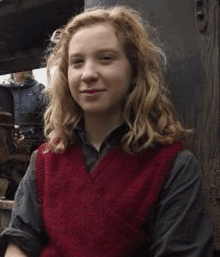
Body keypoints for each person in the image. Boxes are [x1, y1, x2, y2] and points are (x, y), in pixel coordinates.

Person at [0, 5, 213, 257]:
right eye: (77, 62)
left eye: (106, 58)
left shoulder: (173, 166)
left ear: (134, 70)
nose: (88, 74)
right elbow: (21, 241)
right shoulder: (44, 161)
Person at [0, 71, 46, 199]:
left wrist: (30, 143)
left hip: (30, 152)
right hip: (5, 154)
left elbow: (47, 126)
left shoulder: (40, 91)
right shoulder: (2, 92)